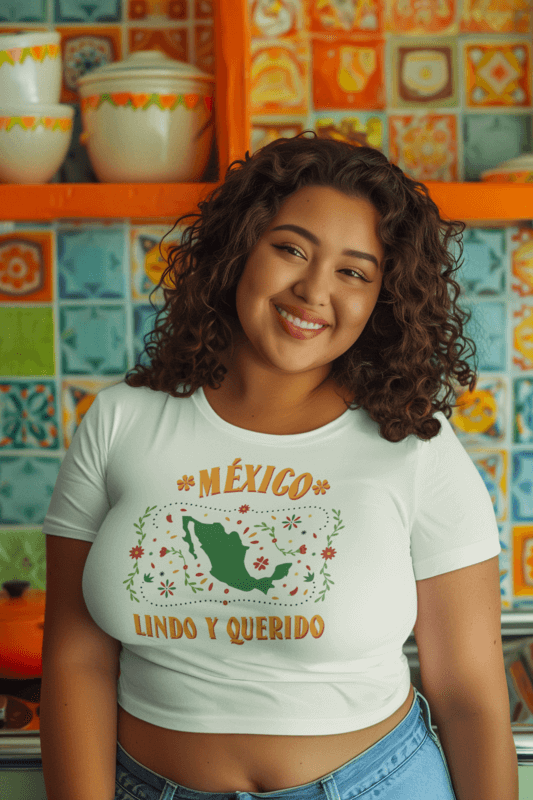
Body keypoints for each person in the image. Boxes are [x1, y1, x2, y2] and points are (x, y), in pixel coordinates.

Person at [39, 131, 518, 800]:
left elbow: (468, 694)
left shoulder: (415, 447)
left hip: (375, 786)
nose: (313, 290)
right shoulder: (121, 420)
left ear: (382, 297)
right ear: (239, 250)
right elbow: (75, 657)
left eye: (353, 271)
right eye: (290, 248)